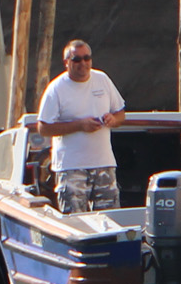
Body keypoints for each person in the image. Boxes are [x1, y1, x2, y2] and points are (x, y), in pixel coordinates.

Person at [36, 40, 126, 214]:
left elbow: (120, 114)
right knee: (76, 220)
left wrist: (112, 119)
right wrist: (79, 125)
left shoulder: (102, 79)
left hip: (104, 164)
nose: (83, 63)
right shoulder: (56, 89)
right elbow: (43, 128)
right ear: (66, 62)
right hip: (71, 167)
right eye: (77, 59)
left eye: (87, 58)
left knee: (111, 219)